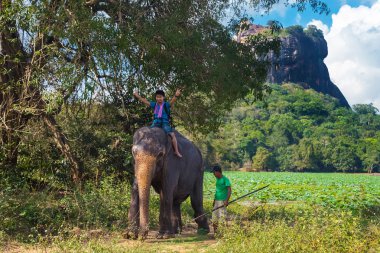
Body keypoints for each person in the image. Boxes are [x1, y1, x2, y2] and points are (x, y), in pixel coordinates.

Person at [133, 89, 182, 157]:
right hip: (156, 122)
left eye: (160, 97)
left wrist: (176, 95)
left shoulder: (166, 105)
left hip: (164, 123)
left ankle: (176, 151)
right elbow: (145, 101)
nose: (159, 98)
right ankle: (146, 148)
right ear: (156, 98)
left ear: (163, 97)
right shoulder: (154, 104)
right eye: (157, 97)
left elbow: (172, 102)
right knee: (148, 133)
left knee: (172, 135)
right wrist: (137, 95)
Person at [211, 164, 231, 233]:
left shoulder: (225, 179)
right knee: (214, 218)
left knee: (222, 218)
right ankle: (216, 234)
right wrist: (214, 200)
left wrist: (226, 200)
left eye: (214, 172)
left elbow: (229, 190)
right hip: (216, 201)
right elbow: (217, 190)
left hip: (222, 201)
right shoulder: (217, 179)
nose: (213, 174)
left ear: (218, 172)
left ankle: (223, 234)